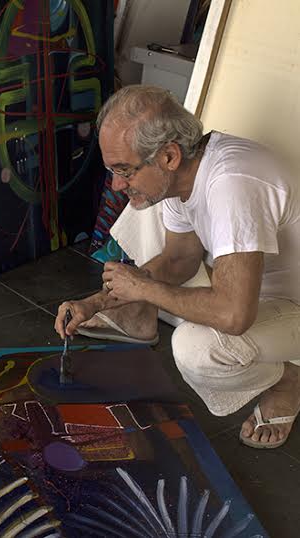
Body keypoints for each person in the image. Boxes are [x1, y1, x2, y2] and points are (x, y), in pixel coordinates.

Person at [54, 85, 300, 449]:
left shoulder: (232, 185)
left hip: (289, 304)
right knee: (142, 211)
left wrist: (144, 290)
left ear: (169, 155)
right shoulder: (184, 173)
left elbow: (234, 315)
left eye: (125, 171)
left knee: (196, 349)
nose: (116, 185)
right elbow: (179, 259)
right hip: (256, 287)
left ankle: (289, 378)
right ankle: (136, 320)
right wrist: (96, 303)